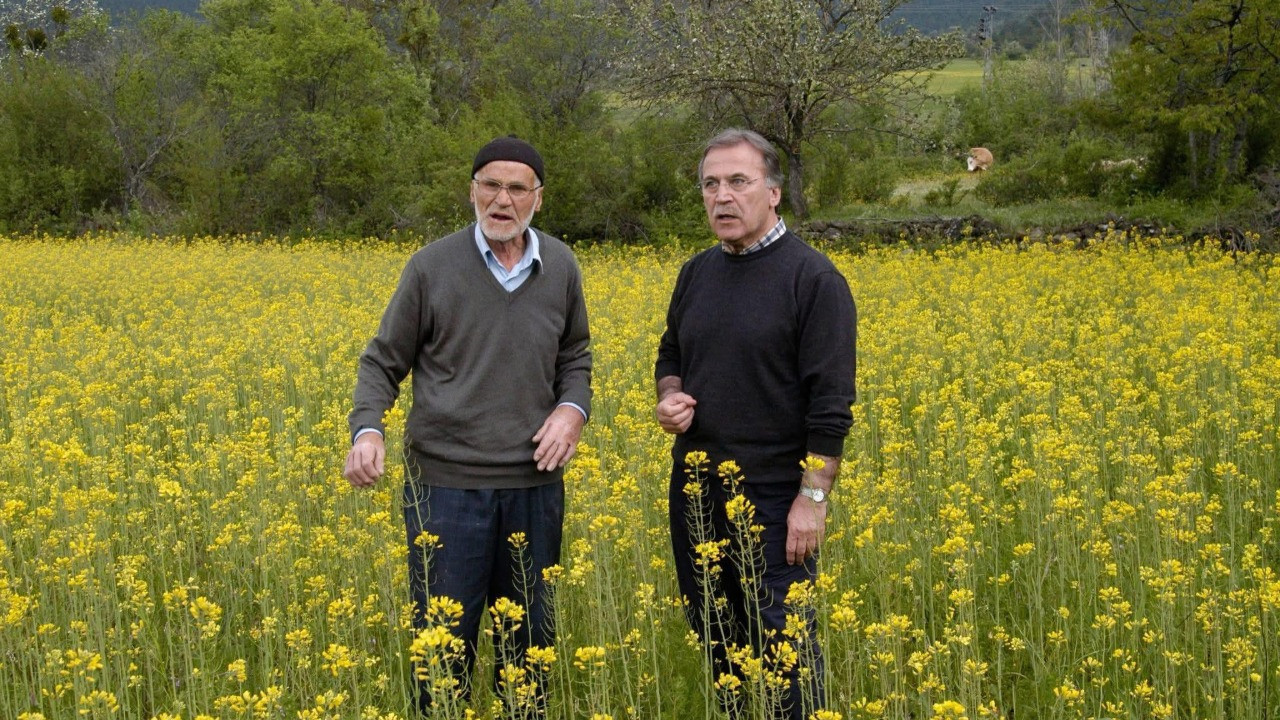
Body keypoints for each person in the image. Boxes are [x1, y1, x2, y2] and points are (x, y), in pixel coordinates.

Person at [343, 136, 591, 716]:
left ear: (538, 198)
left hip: (535, 485)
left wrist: (571, 410)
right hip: (445, 489)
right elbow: (382, 361)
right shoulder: (432, 267)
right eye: (490, 185)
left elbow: (575, 355)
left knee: (529, 650)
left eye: (516, 188)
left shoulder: (560, 266)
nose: (501, 200)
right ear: (472, 191)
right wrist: (368, 430)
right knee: (443, 650)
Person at [654, 128, 856, 720]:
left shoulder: (813, 280)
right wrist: (670, 398)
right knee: (719, 641)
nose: (722, 196)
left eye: (738, 181)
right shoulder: (696, 273)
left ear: (773, 192)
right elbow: (671, 355)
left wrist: (811, 500)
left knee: (785, 654)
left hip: (772, 500)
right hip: (695, 492)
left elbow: (830, 408)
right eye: (710, 184)